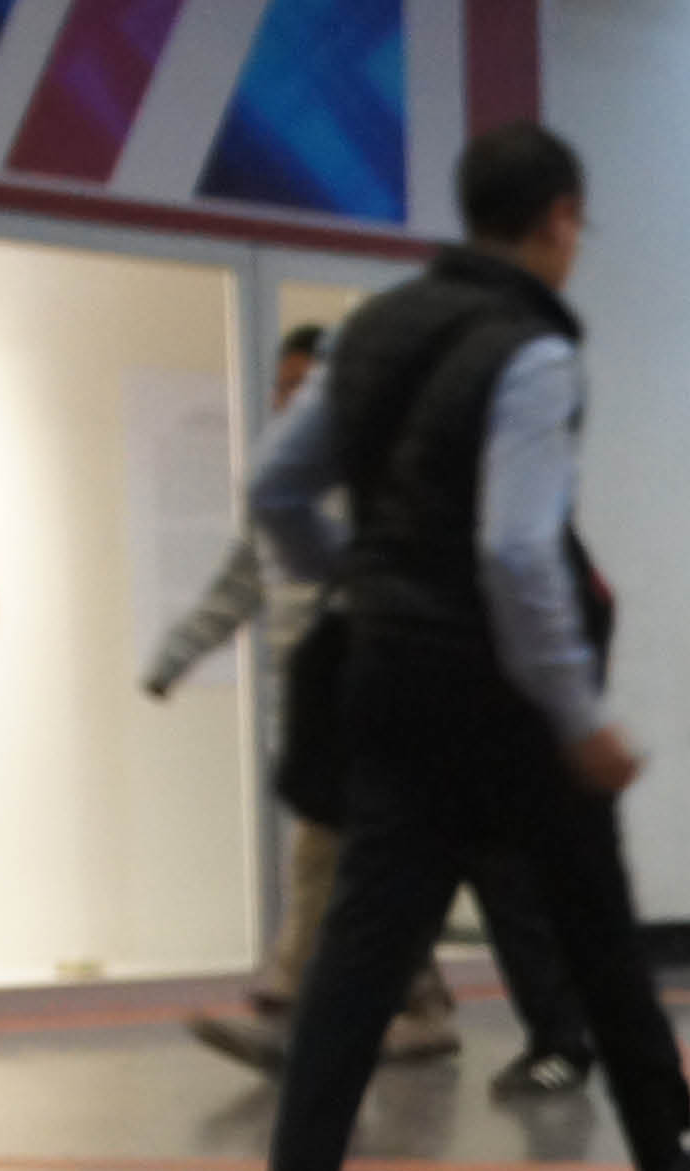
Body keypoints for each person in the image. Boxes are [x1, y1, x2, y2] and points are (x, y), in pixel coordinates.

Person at [235, 120, 690, 1171]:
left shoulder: (371, 331)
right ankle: (671, 1160)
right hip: (496, 691)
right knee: (596, 921)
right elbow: (518, 552)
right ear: (559, 219)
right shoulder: (533, 352)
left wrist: (356, 575)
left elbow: (276, 486)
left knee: (363, 936)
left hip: (385, 675)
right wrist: (579, 717)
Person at [156, 325, 597, 1101]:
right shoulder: (286, 494)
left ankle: (297, 1012)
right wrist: (175, 657)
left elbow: (504, 570)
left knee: (366, 869)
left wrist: (561, 710)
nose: (290, 402)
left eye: (305, 388)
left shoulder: (384, 485)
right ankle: (417, 1011)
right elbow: (236, 586)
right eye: (283, 388)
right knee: (394, 882)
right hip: (339, 721)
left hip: (401, 716)